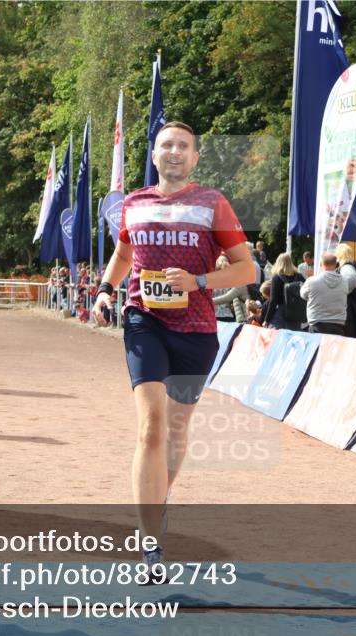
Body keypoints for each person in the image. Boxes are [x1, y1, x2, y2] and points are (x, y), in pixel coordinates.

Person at [91, 121, 253, 577]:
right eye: (167, 145)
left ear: (195, 157)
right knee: (151, 427)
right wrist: (106, 289)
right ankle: (150, 545)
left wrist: (199, 280)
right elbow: (124, 256)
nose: (175, 152)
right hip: (145, 321)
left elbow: (247, 271)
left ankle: (156, 500)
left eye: (184, 146)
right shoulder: (134, 204)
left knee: (177, 430)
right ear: (155, 155)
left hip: (197, 330)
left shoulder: (212, 203)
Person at [299, 252, 347, 335]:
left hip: (317, 324)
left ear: (321, 264)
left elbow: (303, 294)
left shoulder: (311, 281)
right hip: (338, 324)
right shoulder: (344, 282)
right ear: (336, 264)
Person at [261, 252, 304, 330]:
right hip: (296, 313)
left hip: (282, 313)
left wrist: (266, 319)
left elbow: (273, 301)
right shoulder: (299, 276)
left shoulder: (277, 278)